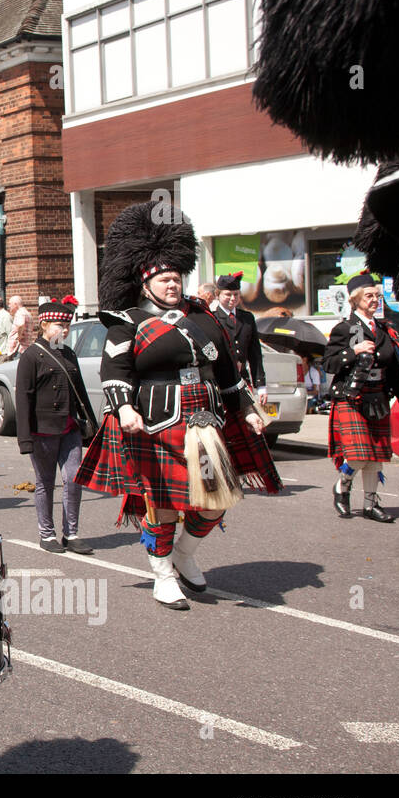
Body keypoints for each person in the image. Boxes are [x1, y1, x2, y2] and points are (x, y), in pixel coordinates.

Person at [76, 201, 280, 610]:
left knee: (214, 499)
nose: (173, 284)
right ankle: (162, 574)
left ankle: (184, 554)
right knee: (164, 505)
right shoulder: (126, 320)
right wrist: (124, 408)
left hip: (206, 421)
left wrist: (250, 411)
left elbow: (227, 373)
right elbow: (114, 372)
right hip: (156, 424)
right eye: (164, 279)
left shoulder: (203, 317)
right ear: (145, 282)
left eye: (177, 277)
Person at [16, 297, 97, 554]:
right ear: (44, 325)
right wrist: (24, 438)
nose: (64, 330)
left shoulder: (69, 353)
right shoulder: (31, 355)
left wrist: (93, 425)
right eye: (59, 325)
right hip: (43, 429)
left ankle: (71, 533)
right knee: (45, 482)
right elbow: (23, 398)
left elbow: (80, 391)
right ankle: (47, 534)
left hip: (70, 426)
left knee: (74, 478)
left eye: (67, 325)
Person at [324, 271, 399, 522]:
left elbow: (394, 370)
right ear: (355, 299)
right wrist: (353, 350)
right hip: (351, 396)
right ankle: (342, 487)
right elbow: (329, 364)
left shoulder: (384, 330)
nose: (374, 300)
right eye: (369, 296)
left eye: (377, 296)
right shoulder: (345, 329)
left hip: (378, 396)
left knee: (376, 458)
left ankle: (371, 504)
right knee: (358, 455)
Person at [211, 272, 267, 405]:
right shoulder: (212, 318)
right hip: (220, 382)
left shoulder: (247, 318)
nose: (232, 298)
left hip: (243, 380)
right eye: (228, 295)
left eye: (236, 294)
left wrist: (261, 386)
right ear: (217, 295)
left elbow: (255, 354)